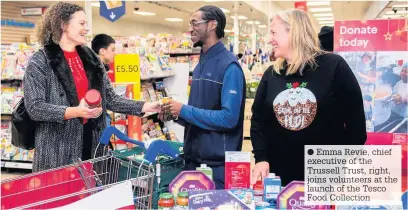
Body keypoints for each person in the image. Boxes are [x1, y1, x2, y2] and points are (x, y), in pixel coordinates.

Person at [24, 2, 161, 172]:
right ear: (63, 24)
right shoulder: (40, 61)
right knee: (64, 196)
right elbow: (35, 107)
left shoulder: (91, 58)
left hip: (94, 144)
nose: (86, 28)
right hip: (58, 150)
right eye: (82, 23)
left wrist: (146, 106)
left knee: (93, 193)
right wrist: (76, 111)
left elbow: (110, 98)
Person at [250, 9, 367, 186]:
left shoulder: (334, 67)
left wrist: (342, 164)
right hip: (278, 179)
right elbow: (258, 119)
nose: (269, 39)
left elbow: (356, 122)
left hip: (323, 180)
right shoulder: (272, 74)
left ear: (294, 33)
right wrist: (261, 157)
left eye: (274, 33)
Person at [160, 5, 246, 189]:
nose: (190, 29)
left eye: (194, 23)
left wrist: (184, 109)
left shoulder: (229, 66)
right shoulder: (201, 64)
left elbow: (229, 118)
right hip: (193, 161)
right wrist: (176, 114)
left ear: (212, 25)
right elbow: (201, 111)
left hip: (217, 169)